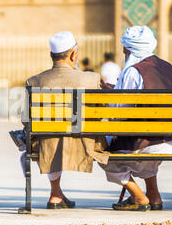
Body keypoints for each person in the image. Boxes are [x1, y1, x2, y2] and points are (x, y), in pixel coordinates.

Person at [99, 26, 172, 211]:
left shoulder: (133, 71)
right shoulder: (169, 67)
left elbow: (119, 113)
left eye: (125, 47)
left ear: (130, 49)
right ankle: (154, 195)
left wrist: (110, 97)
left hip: (149, 141)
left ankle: (138, 196)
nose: (123, 51)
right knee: (144, 141)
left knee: (100, 151)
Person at [21, 31, 109, 209]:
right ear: (73, 54)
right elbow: (101, 114)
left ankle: (55, 194)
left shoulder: (35, 81)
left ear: (51, 56)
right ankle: (57, 195)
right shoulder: (91, 79)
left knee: (47, 140)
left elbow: (25, 120)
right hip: (86, 143)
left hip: (47, 144)